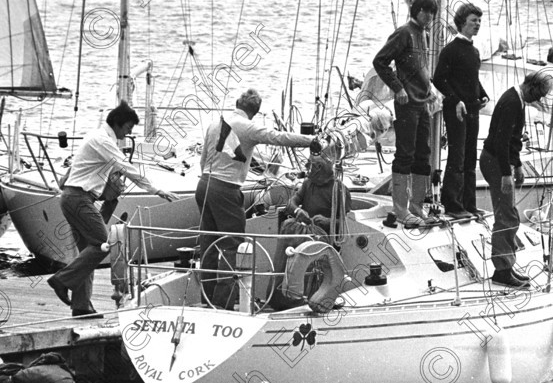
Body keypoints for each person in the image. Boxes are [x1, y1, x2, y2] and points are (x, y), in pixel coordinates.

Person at [47, 101, 179, 318]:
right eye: (128, 127)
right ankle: (61, 280)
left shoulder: (98, 138)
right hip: (78, 198)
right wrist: (156, 189)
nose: (129, 133)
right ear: (118, 124)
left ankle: (81, 307)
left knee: (87, 252)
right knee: (102, 245)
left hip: (75, 197)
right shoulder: (103, 141)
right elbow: (125, 167)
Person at [196, 89, 315, 309]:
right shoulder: (248, 127)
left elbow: (203, 160)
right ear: (255, 112)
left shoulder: (215, 124)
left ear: (236, 103)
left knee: (209, 244)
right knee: (232, 245)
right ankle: (222, 304)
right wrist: (310, 141)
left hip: (204, 185)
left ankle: (207, 298)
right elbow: (278, 137)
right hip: (226, 188)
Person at [480, 71, 552, 288]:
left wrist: (517, 165)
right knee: (506, 215)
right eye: (538, 96)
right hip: (494, 162)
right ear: (530, 87)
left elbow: (512, 141)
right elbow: (501, 141)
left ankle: (507, 266)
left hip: (497, 160)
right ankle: (502, 270)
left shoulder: (516, 99)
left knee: (508, 213)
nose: (538, 101)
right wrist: (505, 173)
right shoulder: (512, 102)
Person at [373, 0, 439, 228]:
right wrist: (397, 87)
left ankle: (416, 205)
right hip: (406, 104)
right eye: (427, 12)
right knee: (405, 153)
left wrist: (429, 88)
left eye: (433, 13)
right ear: (418, 11)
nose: (430, 16)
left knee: (424, 153)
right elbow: (380, 61)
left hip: (422, 103)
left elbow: (421, 68)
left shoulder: (424, 34)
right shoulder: (403, 33)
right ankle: (400, 209)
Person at [432, 3, 489, 219]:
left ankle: (469, 204)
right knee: (457, 156)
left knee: (470, 157)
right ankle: (453, 205)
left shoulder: (473, 50)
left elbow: (472, 79)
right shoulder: (451, 49)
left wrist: (482, 94)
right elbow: (439, 79)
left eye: (479, 21)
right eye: (474, 20)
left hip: (472, 109)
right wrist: (455, 100)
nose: (477, 24)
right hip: (456, 110)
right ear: (462, 22)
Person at [281, 154, 352, 237]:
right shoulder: (308, 183)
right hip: (305, 231)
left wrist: (328, 222)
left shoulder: (340, 190)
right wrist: (297, 211)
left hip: (325, 237)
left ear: (319, 167)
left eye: (309, 165)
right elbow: (291, 203)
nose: (306, 168)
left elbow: (349, 222)